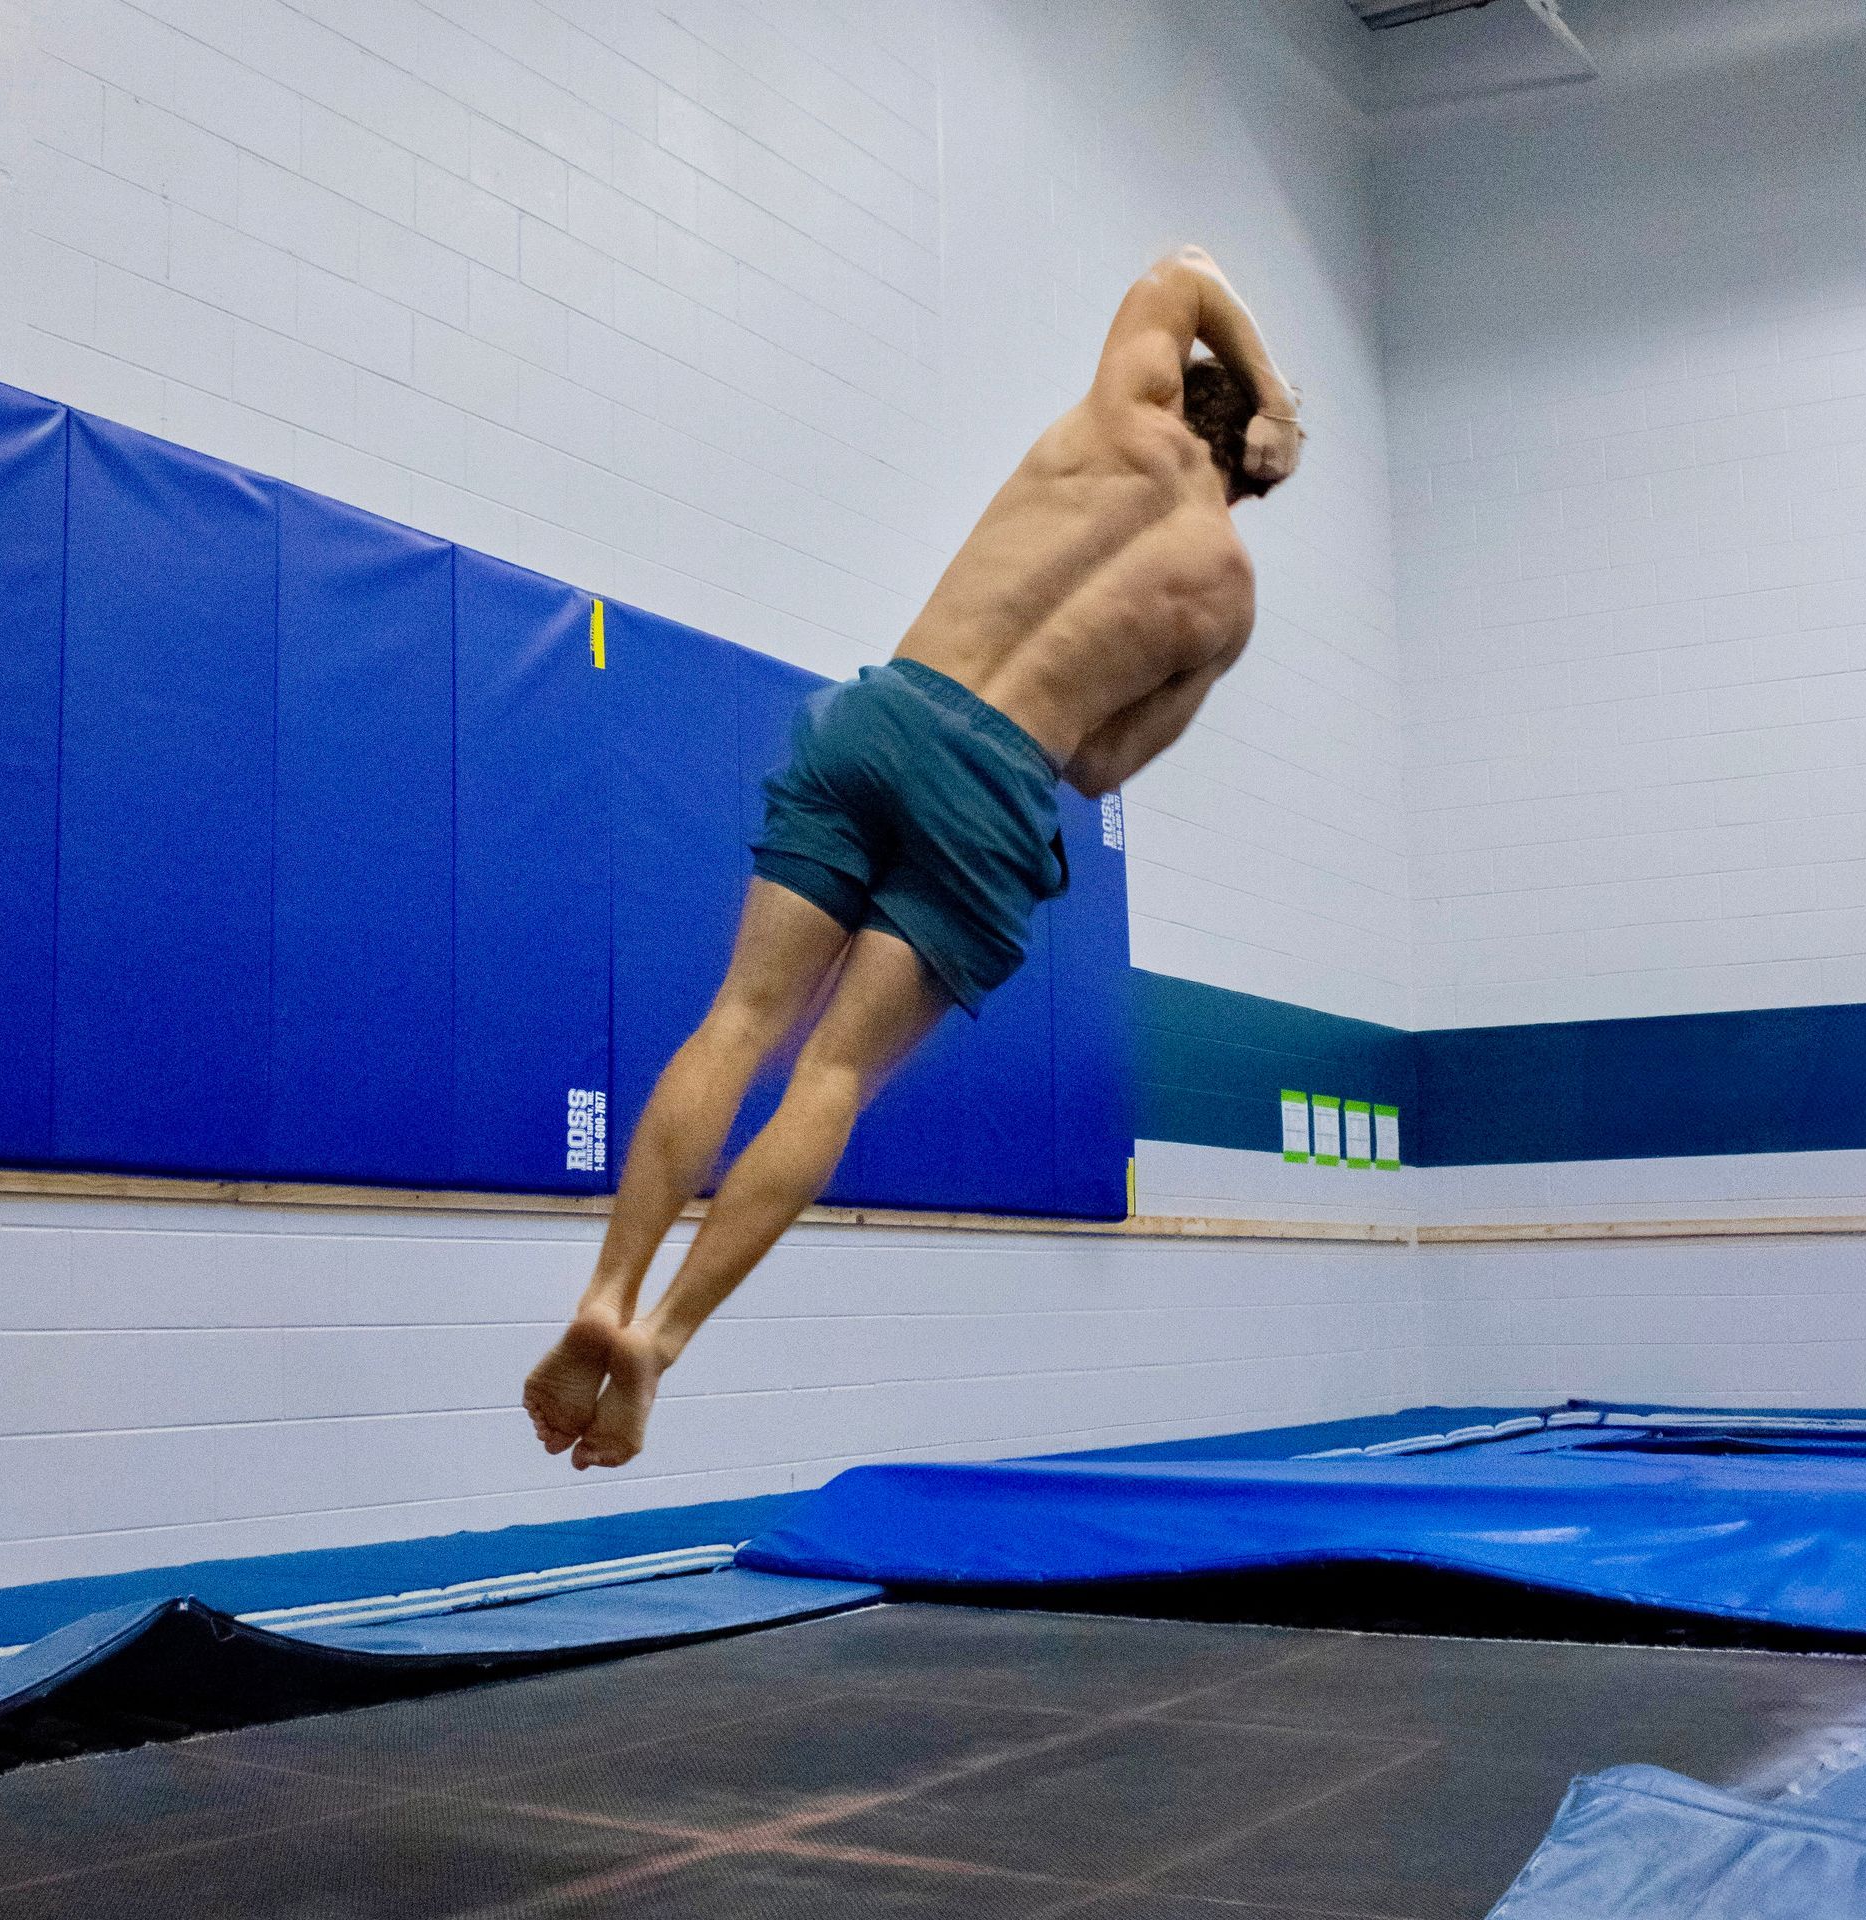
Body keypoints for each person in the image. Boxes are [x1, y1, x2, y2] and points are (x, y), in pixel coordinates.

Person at [523, 245, 1304, 1470]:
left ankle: (608, 1290)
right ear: (1252, 475)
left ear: (1186, 390)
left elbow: (1186, 271)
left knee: (739, 1019)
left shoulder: (1117, 415)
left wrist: (1275, 393)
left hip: (885, 715)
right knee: (830, 1076)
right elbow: (1100, 768)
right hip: (996, 789)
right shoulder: (1229, 597)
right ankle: (660, 1342)